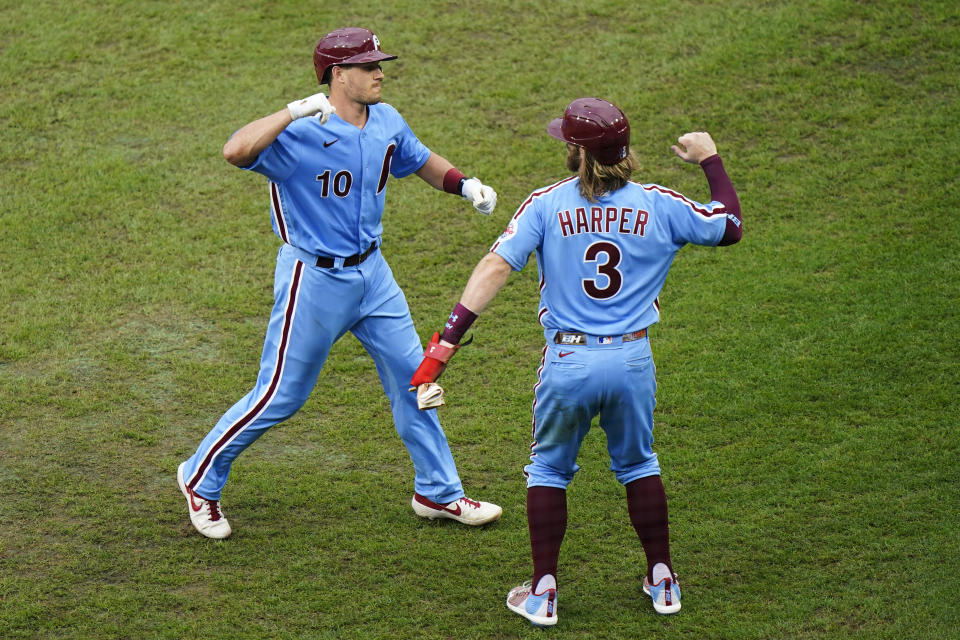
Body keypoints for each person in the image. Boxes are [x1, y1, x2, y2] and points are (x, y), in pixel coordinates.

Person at [410, 97, 742, 625]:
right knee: (639, 464)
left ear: (578, 153)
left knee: (548, 468)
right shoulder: (660, 204)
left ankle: (543, 593)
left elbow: (496, 267)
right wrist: (710, 159)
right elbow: (730, 226)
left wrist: (442, 347)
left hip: (568, 360)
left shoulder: (545, 204)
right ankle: (663, 581)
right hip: (633, 360)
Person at [177, 27, 503, 540]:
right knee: (281, 395)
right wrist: (292, 110)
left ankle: (437, 492)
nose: (379, 72)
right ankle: (200, 479)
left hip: (374, 275)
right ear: (336, 74)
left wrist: (465, 185)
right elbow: (234, 150)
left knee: (413, 382)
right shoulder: (300, 134)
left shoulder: (387, 119)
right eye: (368, 65)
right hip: (315, 279)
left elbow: (417, 159)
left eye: (379, 63)